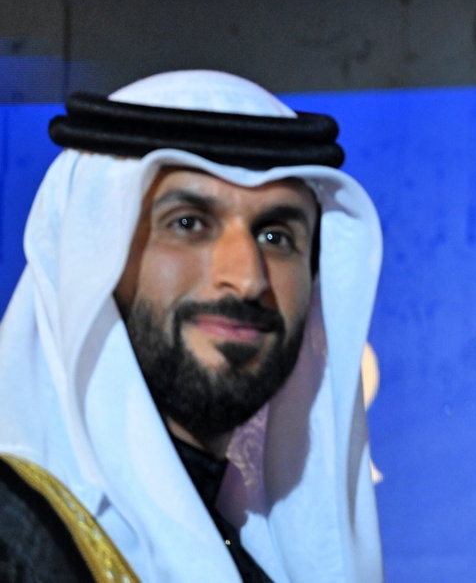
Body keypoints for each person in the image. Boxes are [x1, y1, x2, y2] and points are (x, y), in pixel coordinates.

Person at [0, 70, 384, 582]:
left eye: (275, 236)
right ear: (92, 255)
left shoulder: (249, 553)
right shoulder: (16, 540)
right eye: (188, 224)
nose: (246, 279)